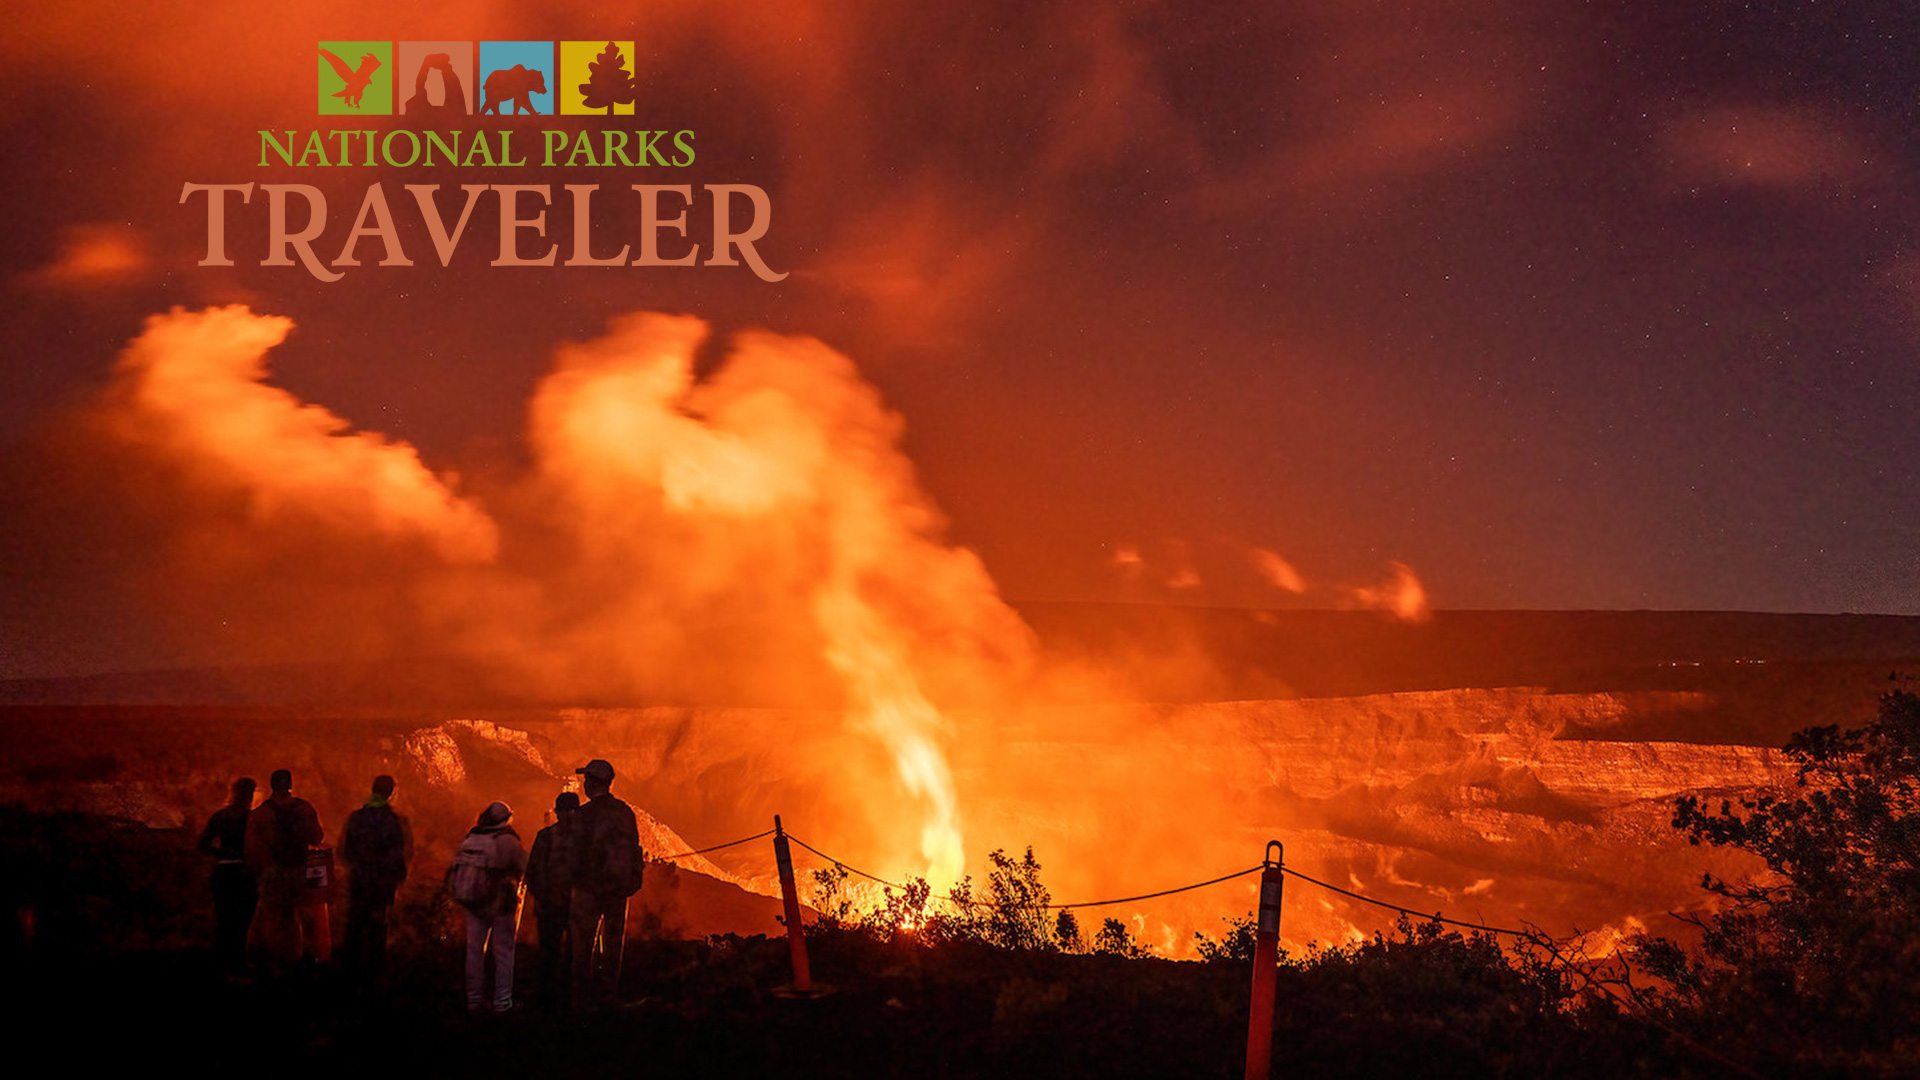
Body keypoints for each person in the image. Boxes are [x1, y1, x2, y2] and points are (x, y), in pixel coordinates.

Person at [569, 759, 643, 1009]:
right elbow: (633, 850)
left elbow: (572, 853)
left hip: (588, 889)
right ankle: (607, 996)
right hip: (618, 889)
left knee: (582, 943)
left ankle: (580, 999)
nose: (584, 784)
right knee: (613, 943)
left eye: (586, 780)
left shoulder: (583, 815)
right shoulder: (624, 813)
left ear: (591, 783)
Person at [243, 769, 324, 978]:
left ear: (271, 785)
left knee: (272, 916)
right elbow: (317, 837)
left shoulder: (260, 814)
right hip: (298, 871)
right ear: (290, 784)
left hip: (272, 872)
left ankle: (272, 963)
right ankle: (292, 960)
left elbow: (251, 848)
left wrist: (257, 871)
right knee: (291, 915)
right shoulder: (304, 809)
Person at [452, 800, 525, 1013]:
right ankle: (502, 1002)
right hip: (500, 904)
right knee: (503, 952)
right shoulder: (508, 842)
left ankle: (474, 1000)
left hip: (473, 901)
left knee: (474, 951)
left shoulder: (471, 838)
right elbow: (525, 866)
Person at [339, 774, 412, 985]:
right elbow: (404, 852)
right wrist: (399, 877)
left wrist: (353, 868)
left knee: (355, 923)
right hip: (383, 882)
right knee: (378, 924)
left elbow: (344, 849)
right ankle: (374, 972)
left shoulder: (356, 818)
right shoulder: (397, 820)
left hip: (360, 878)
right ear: (392, 793)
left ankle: (348, 971)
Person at [523, 791, 579, 1010]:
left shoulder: (545, 837)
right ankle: (569, 1001)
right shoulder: (584, 839)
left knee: (548, 954)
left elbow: (532, 872)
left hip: (549, 907)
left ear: (556, 812)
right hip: (574, 907)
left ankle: (545, 1001)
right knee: (573, 956)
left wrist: (542, 897)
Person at [197, 777, 257, 977]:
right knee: (241, 922)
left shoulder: (221, 816)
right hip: (244, 874)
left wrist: (222, 854)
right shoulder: (252, 819)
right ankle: (237, 963)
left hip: (223, 873)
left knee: (225, 920)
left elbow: (203, 845)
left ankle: (220, 965)